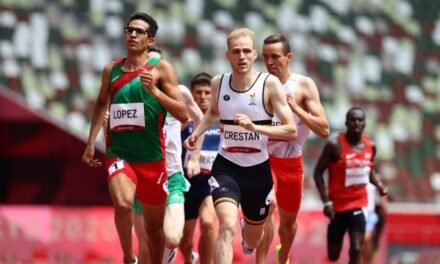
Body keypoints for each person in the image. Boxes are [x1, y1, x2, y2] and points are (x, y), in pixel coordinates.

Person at [81, 12, 189, 264]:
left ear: (150, 40)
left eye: (138, 31)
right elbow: (100, 104)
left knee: (154, 230)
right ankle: (129, 257)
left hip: (152, 158)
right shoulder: (111, 70)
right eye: (128, 30)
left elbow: (182, 113)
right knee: (123, 203)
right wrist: (90, 143)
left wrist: (154, 91)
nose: (131, 34)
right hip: (120, 153)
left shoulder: (162, 69)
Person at [184, 27, 297, 263]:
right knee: (226, 226)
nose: (242, 56)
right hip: (227, 165)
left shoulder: (269, 84)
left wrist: (256, 128)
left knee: (252, 242)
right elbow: (214, 112)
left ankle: (250, 228)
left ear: (255, 54)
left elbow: (290, 129)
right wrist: (199, 132)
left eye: (247, 51)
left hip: (257, 169)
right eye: (236, 51)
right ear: (228, 55)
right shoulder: (219, 83)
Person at [256, 34, 330, 264]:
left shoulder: (304, 85)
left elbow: (324, 129)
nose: (269, 62)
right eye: (265, 57)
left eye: (275, 57)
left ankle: (284, 255)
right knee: (268, 205)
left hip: (291, 162)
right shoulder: (256, 84)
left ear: (289, 57)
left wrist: (297, 109)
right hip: (263, 159)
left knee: (288, 225)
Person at [130, 46, 205, 264]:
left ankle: (168, 253)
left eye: (158, 65)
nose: (154, 70)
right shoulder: (132, 94)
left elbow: (200, 120)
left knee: (172, 239)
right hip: (142, 177)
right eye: (149, 65)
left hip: (171, 176)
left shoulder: (180, 93)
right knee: (144, 246)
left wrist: (194, 156)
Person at [313, 107, 388, 264]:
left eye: (360, 120)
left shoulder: (370, 146)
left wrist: (380, 185)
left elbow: (369, 170)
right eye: (353, 119)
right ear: (346, 123)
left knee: (356, 248)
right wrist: (326, 201)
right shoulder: (334, 145)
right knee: (333, 255)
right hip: (337, 208)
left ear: (365, 124)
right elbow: (318, 173)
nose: (356, 122)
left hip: (358, 205)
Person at [180, 72, 218, 264]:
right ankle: (189, 259)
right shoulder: (183, 122)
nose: (203, 97)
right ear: (191, 95)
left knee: (208, 223)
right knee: (184, 240)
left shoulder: (222, 123)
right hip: (186, 186)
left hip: (209, 185)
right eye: (198, 93)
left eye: (207, 93)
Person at [362, 180, 388, 264]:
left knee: (367, 239)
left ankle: (368, 260)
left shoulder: (375, 184)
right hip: (359, 212)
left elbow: (383, 199)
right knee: (361, 242)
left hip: (370, 214)